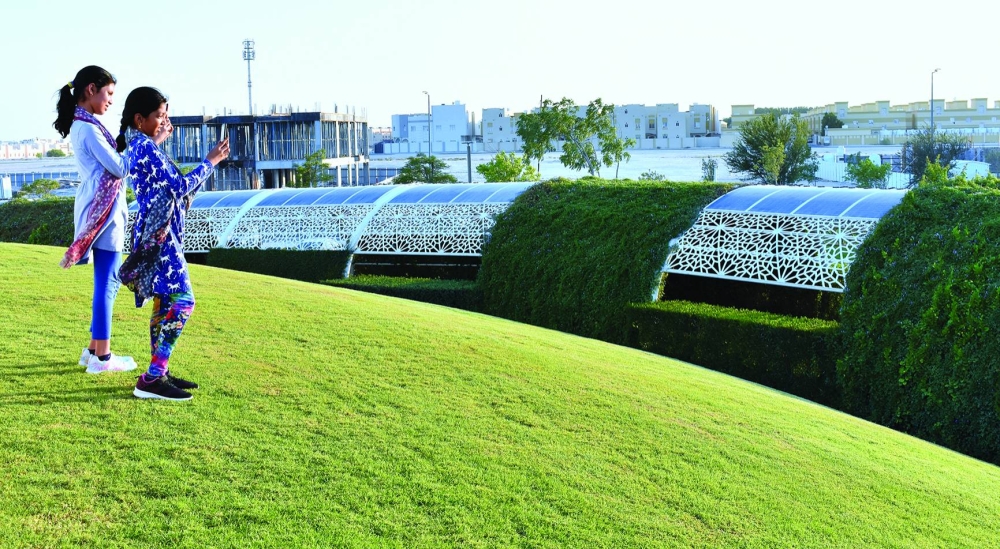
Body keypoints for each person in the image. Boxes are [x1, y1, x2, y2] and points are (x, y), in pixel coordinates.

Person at [55, 66, 168, 374]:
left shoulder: (85, 125)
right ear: (91, 90)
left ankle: (94, 350)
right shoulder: (88, 129)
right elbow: (120, 167)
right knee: (109, 282)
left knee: (104, 282)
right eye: (108, 94)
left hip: (98, 208)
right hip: (104, 213)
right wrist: (151, 143)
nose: (110, 102)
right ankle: (102, 357)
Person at [119, 87, 229, 401]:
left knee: (164, 301)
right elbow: (180, 186)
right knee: (183, 302)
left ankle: (159, 372)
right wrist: (210, 161)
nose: (165, 121)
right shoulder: (146, 147)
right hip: (161, 235)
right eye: (159, 116)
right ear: (140, 119)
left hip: (156, 231)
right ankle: (152, 378)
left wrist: (157, 140)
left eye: (166, 115)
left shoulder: (140, 144)